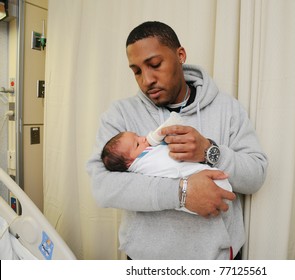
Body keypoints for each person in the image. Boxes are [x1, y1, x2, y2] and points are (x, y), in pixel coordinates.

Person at [86, 21, 268, 260]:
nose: (146, 80)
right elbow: (102, 187)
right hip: (145, 260)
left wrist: (210, 151)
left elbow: (255, 175)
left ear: (180, 55)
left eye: (154, 65)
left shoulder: (227, 109)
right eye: (137, 71)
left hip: (217, 258)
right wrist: (181, 193)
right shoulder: (120, 114)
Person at [101, 130, 233, 214]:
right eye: (137, 144)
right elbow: (103, 190)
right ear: (129, 163)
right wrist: (183, 191)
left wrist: (207, 150)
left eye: (138, 136)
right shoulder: (144, 162)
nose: (143, 139)